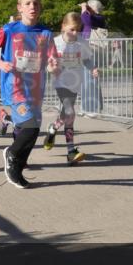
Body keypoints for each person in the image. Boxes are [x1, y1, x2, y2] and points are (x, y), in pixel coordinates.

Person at [0, 0, 59, 189]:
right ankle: (11, 154)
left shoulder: (45, 33)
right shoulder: (9, 29)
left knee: (33, 131)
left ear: (40, 7)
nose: (32, 7)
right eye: (28, 3)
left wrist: (54, 66)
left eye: (36, 3)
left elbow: (52, 61)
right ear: (20, 8)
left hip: (36, 89)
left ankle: (17, 168)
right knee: (30, 127)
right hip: (15, 87)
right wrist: (0, 63)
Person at [45, 12, 98, 164]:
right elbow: (47, 61)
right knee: (70, 112)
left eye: (78, 29)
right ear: (63, 27)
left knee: (67, 114)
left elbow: (87, 59)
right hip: (61, 82)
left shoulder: (81, 42)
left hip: (75, 83)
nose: (75, 33)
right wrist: (50, 68)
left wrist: (93, 68)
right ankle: (70, 151)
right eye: (72, 29)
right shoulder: (55, 43)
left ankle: (53, 128)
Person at [79, 0, 107, 115]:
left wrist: (84, 8)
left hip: (93, 49)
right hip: (86, 49)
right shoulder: (91, 17)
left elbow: (86, 20)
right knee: (85, 79)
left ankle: (93, 108)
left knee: (92, 78)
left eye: (89, 7)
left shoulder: (99, 18)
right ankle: (86, 107)